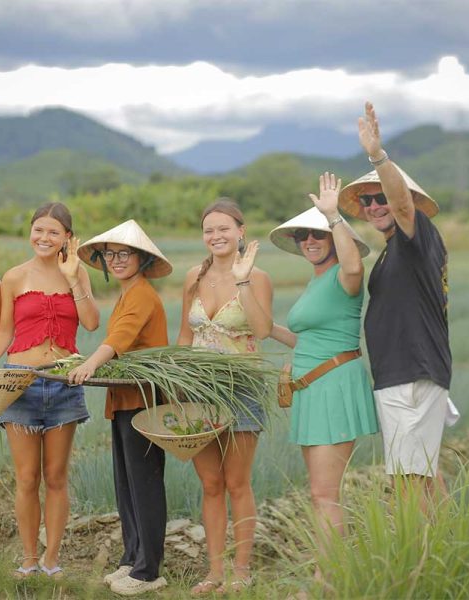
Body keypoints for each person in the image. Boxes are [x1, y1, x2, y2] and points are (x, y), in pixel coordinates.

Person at [0, 202, 99, 578]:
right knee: (27, 477)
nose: (44, 238)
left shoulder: (78, 274)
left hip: (64, 384)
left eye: (54, 232)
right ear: (31, 232)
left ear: (67, 239)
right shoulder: (13, 277)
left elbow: (91, 323)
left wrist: (74, 277)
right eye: (39, 230)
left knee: (56, 476)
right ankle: (28, 559)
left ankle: (51, 560)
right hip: (21, 384)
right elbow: (4, 331)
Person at [338, 102, 451, 508]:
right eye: (366, 201)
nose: (374, 206)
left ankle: (417, 566)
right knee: (425, 474)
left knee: (408, 482)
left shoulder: (416, 236)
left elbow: (402, 206)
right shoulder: (392, 251)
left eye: (380, 196)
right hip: (404, 375)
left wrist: (376, 156)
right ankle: (455, 553)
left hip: (412, 374)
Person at [268, 174, 379, 582]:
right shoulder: (317, 281)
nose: (309, 241)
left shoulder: (344, 276)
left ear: (333, 237)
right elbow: (310, 339)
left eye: (317, 234)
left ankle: (326, 581)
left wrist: (333, 215)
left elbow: (354, 264)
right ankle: (330, 574)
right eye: (302, 236)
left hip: (334, 387)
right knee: (321, 494)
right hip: (312, 390)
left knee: (324, 494)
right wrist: (269, 329)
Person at [68, 219, 171, 596]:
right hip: (125, 399)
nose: (116, 260)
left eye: (124, 253)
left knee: (144, 484)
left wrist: (89, 364)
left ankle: (148, 571)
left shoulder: (142, 294)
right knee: (126, 483)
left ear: (142, 259)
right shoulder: (128, 293)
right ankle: (132, 558)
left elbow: (119, 338)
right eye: (110, 254)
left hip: (144, 402)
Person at [176, 199, 273, 596]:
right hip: (199, 393)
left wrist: (244, 279)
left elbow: (263, 330)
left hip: (243, 389)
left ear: (240, 232)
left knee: (237, 482)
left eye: (223, 229)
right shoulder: (192, 277)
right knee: (210, 483)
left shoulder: (258, 277)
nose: (216, 236)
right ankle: (214, 572)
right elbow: (185, 337)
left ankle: (242, 568)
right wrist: (177, 385)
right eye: (209, 230)